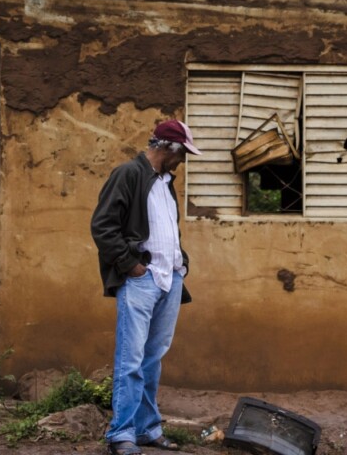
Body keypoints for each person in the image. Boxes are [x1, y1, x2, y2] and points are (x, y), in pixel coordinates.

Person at [91, 119, 201, 455]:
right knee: (131, 360)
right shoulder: (128, 174)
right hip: (142, 279)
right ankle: (120, 433)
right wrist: (130, 266)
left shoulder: (165, 182)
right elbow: (103, 226)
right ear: (169, 149)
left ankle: (146, 429)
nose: (183, 161)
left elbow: (165, 229)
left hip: (169, 277)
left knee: (152, 359)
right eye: (182, 154)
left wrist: (180, 261)